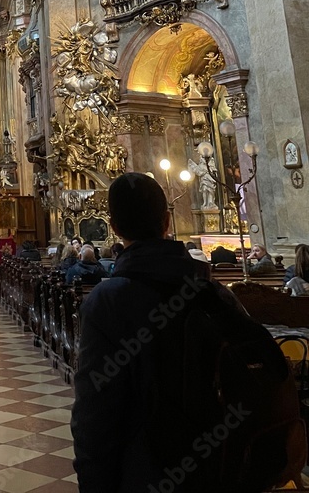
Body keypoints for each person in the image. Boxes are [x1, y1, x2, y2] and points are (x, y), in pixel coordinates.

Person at [71, 172, 218, 492]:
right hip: (217, 469)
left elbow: (94, 414)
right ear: (167, 221)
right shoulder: (215, 294)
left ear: (115, 227)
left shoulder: (108, 302)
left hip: (144, 470)